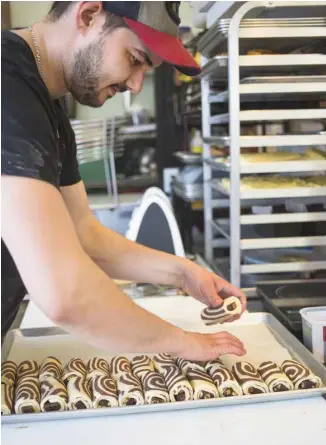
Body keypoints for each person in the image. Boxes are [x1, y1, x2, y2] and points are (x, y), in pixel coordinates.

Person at [1, 1, 247, 360]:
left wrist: (183, 274)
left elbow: (86, 236)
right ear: (87, 15)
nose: (135, 85)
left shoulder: (48, 111)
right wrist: (182, 342)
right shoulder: (7, 87)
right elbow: (64, 294)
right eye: (134, 59)